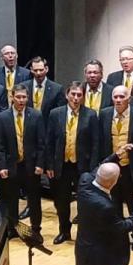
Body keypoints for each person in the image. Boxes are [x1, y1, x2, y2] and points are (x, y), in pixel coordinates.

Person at [45, 82, 99, 244]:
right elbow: (49, 141)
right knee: (61, 201)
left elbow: (95, 143)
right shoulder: (55, 113)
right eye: (73, 94)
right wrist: (49, 165)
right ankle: (64, 231)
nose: (76, 98)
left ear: (83, 97)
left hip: (82, 166)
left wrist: (93, 169)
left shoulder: (90, 115)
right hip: (61, 165)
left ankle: (85, 234)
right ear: (67, 95)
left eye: (79, 95)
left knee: (84, 201)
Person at [100, 85, 133, 250]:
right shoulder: (104, 114)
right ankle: (118, 237)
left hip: (131, 169)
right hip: (111, 169)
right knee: (113, 206)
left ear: (129, 98)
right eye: (115, 97)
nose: (118, 100)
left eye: (122, 97)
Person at [0, 84, 46, 237]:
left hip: (30, 166)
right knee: (12, 199)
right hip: (12, 165)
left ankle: (36, 229)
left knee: (34, 199)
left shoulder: (36, 115)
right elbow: (0, 145)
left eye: (24, 97)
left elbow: (41, 143)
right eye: (18, 97)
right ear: (12, 97)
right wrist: (2, 166)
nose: (21, 100)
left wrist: (40, 164)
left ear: (28, 98)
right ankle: (13, 228)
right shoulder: (2, 117)